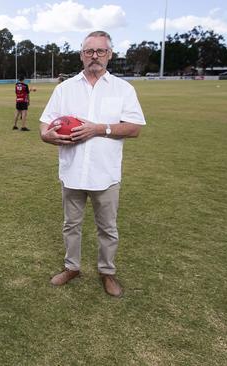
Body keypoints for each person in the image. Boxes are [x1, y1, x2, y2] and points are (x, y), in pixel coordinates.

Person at [39, 30, 146, 298]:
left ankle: (107, 273)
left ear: (110, 54)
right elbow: (45, 125)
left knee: (107, 228)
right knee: (70, 225)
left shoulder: (123, 89)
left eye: (100, 51)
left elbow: (134, 128)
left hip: (105, 174)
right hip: (72, 171)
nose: (94, 56)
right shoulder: (65, 89)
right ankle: (71, 267)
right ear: (81, 55)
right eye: (89, 51)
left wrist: (98, 129)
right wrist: (47, 135)